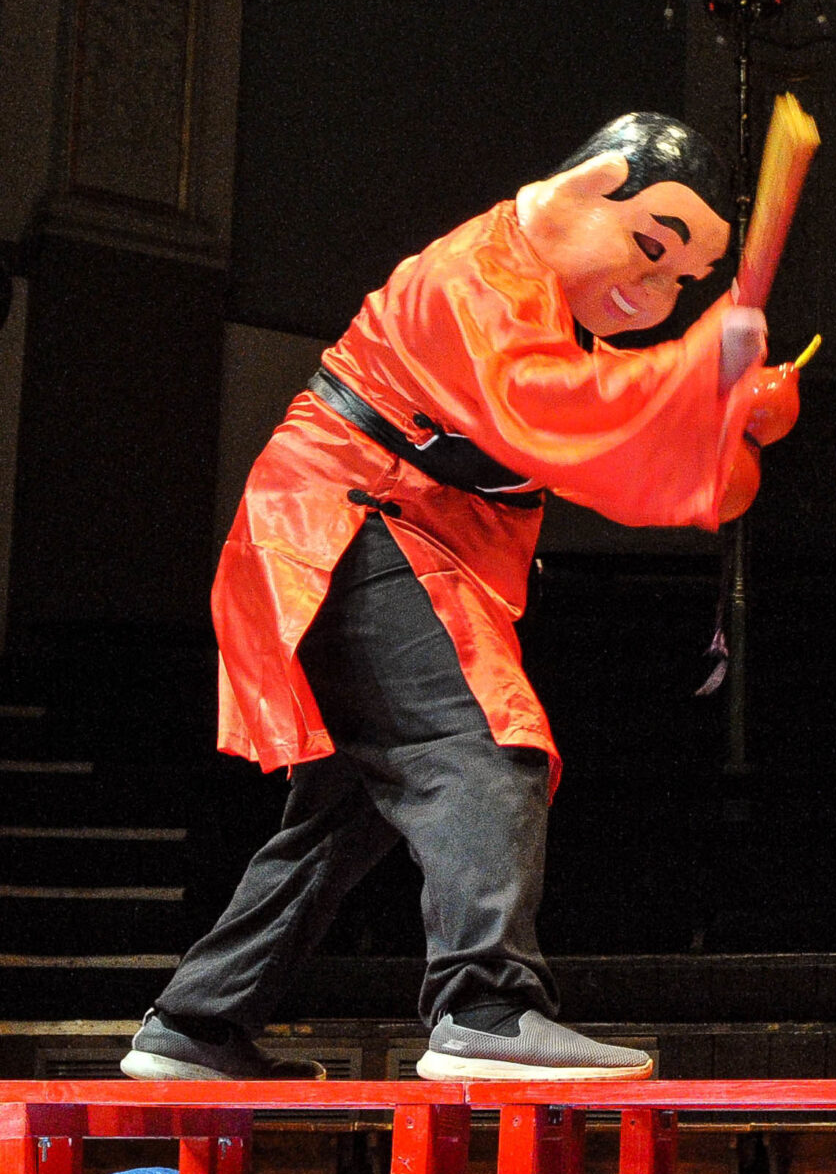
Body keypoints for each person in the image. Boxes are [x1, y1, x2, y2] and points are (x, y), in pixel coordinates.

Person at [122, 113, 800, 1082]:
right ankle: (485, 1005)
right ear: (586, 188)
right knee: (485, 747)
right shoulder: (478, 273)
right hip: (354, 519)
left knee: (346, 811)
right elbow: (555, 410)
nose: (657, 291)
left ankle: (196, 1021)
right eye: (652, 248)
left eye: (682, 281)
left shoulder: (545, 314)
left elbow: (627, 443)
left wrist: (730, 411)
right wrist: (706, 370)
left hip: (394, 533)